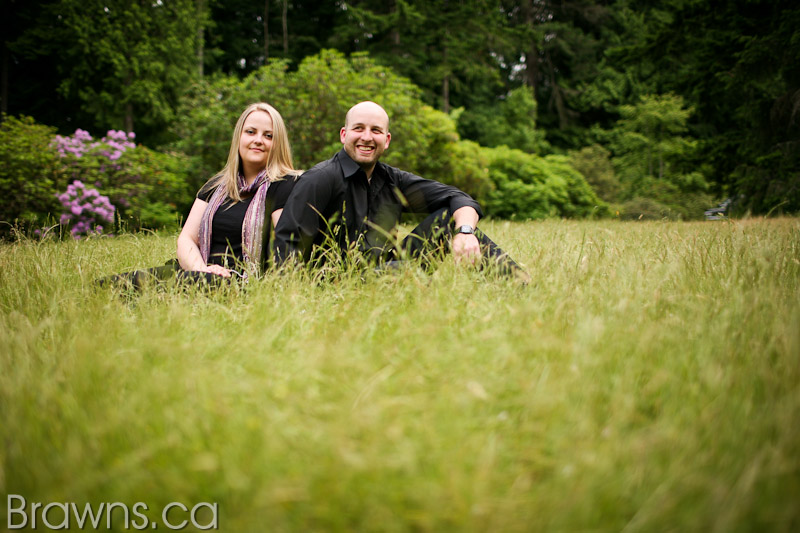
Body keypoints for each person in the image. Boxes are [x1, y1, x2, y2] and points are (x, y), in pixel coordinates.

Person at [272, 101, 527, 279]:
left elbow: (458, 198)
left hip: (388, 271)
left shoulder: (392, 180)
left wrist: (465, 232)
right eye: (358, 128)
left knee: (448, 218)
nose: (367, 137)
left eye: (376, 131)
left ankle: (519, 286)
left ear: (387, 140)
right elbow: (286, 249)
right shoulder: (320, 179)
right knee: (403, 273)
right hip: (336, 282)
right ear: (343, 134)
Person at [100, 102, 300, 289]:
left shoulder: (284, 186)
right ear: (239, 137)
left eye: (268, 136)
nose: (258, 140)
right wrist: (202, 271)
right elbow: (186, 239)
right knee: (107, 286)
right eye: (251, 132)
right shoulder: (216, 187)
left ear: (278, 144)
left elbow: (286, 247)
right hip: (196, 271)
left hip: (238, 283)